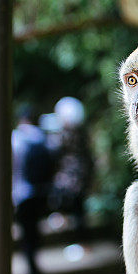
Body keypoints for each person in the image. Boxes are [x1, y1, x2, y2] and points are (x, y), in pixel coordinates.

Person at [12, 104, 54, 274]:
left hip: (22, 195)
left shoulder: (16, 139)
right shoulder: (42, 138)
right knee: (34, 236)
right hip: (40, 194)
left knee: (27, 240)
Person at [49, 97, 92, 247]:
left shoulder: (66, 134)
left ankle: (80, 242)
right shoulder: (81, 133)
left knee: (75, 210)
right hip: (80, 177)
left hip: (71, 178)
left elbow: (55, 149)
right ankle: (82, 243)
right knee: (78, 211)